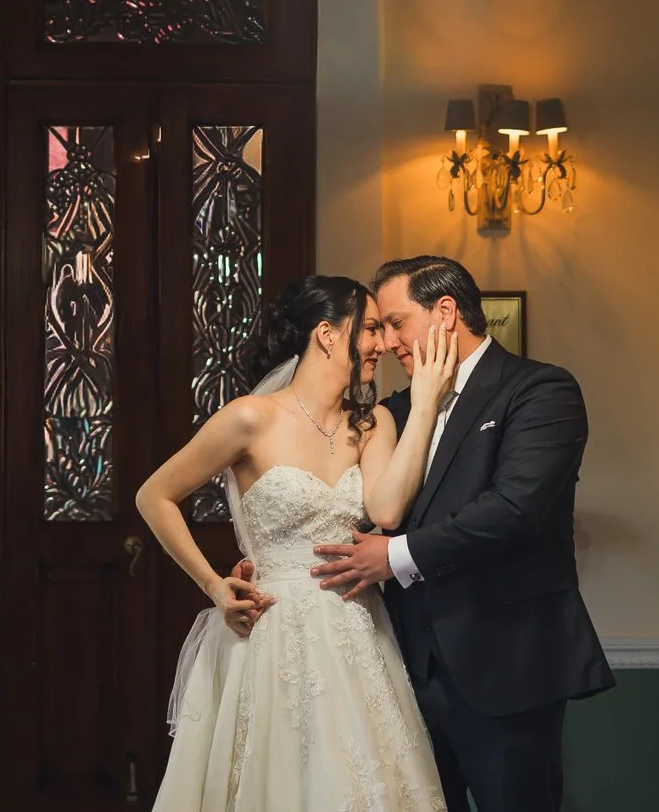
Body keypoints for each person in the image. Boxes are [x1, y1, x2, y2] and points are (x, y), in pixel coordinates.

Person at [133, 274, 456, 811]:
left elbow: (387, 510)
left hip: (356, 631)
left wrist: (422, 406)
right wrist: (214, 584)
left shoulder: (373, 422)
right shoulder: (249, 418)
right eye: (371, 329)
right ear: (328, 335)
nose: (383, 344)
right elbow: (154, 496)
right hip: (272, 629)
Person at [309, 256, 615, 812]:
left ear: (445, 311)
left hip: (507, 664)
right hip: (401, 670)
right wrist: (273, 556)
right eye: (379, 328)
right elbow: (351, 508)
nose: (386, 342)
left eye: (396, 322)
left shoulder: (539, 390)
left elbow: (514, 509)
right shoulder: (394, 412)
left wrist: (395, 556)